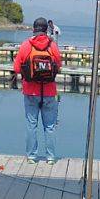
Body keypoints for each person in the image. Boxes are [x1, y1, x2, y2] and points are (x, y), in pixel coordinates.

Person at [13, 17, 62, 165]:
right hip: (49, 92)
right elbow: (58, 66)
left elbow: (16, 68)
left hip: (30, 92)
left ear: (34, 29)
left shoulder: (26, 45)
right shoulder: (52, 45)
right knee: (50, 126)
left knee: (31, 125)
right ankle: (51, 157)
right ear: (46, 30)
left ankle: (32, 157)